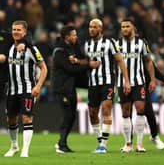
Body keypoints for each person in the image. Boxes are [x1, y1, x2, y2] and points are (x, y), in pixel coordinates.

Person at [0, 20, 48, 157]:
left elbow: (44, 68)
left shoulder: (31, 49)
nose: (15, 32)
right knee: (11, 119)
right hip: (11, 90)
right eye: (14, 29)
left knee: (27, 117)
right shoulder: (9, 46)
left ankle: (25, 150)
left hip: (27, 89)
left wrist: (38, 86)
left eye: (19, 30)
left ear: (25, 32)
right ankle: (14, 146)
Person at [83, 18, 130, 153]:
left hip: (108, 81)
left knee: (106, 109)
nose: (91, 29)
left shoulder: (110, 42)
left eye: (94, 27)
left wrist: (126, 81)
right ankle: (100, 141)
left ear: (100, 29)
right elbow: (84, 62)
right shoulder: (87, 45)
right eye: (90, 27)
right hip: (92, 83)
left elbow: (120, 61)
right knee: (92, 113)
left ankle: (103, 145)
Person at [52, 25, 100, 153]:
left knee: (72, 116)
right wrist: (88, 65)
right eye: (73, 34)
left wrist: (80, 61)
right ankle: (62, 144)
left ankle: (61, 142)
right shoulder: (59, 51)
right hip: (62, 88)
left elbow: (83, 59)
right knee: (68, 115)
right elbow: (70, 69)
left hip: (71, 87)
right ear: (67, 37)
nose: (76, 36)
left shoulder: (73, 48)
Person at [116, 18, 156, 152]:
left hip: (139, 82)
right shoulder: (117, 44)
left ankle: (139, 144)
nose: (125, 29)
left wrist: (152, 79)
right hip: (122, 83)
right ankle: (128, 144)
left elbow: (149, 62)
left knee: (140, 109)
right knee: (126, 112)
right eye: (122, 27)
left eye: (127, 26)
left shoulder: (142, 43)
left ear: (133, 27)